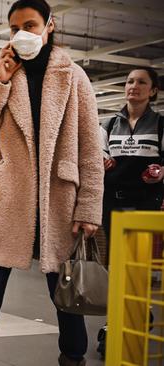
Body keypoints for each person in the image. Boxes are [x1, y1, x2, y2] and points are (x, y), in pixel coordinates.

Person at [0, 1, 104, 365]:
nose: (22, 33)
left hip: (59, 200)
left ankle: (72, 356)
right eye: (14, 27)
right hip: (10, 199)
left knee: (65, 287)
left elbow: (89, 148)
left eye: (31, 25)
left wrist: (88, 206)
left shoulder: (74, 76)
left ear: (49, 26)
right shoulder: (6, 74)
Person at [96, 67, 163, 357]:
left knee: (138, 268)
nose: (133, 86)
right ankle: (119, 322)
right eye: (129, 81)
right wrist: (102, 161)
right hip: (112, 205)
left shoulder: (161, 125)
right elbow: (95, 156)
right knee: (114, 269)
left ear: (153, 91)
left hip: (146, 206)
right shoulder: (109, 124)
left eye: (141, 82)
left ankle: (136, 314)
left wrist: (160, 173)